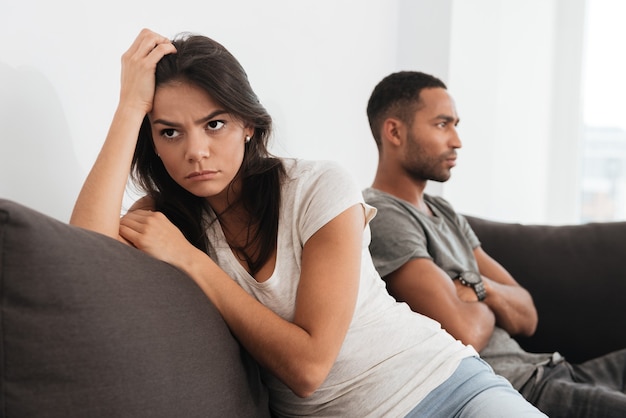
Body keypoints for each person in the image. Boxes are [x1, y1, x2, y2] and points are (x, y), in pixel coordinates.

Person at [70, 29, 545, 417]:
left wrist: (192, 264)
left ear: (248, 124)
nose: (195, 151)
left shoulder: (318, 187)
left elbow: (309, 366)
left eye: (214, 124)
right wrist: (129, 107)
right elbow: (84, 263)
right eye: (169, 132)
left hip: (447, 389)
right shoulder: (167, 218)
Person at [363, 70, 626, 418]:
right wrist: (494, 299)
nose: (457, 141)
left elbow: (528, 314)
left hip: (555, 369)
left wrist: (475, 288)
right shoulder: (384, 215)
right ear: (394, 131)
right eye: (442, 124)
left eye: (456, 125)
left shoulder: (443, 211)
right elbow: (464, 331)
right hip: (523, 389)